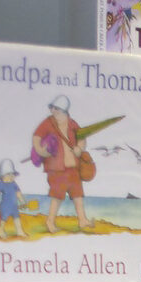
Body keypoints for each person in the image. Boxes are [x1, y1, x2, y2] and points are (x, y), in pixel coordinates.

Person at [31, 95, 93, 233]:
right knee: (57, 195)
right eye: (52, 107)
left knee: (77, 194)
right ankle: (50, 221)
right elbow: (36, 136)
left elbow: (81, 138)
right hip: (56, 168)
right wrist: (40, 150)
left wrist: (79, 148)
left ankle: (82, 220)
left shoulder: (72, 124)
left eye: (56, 108)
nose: (53, 110)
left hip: (73, 168)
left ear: (64, 110)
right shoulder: (48, 122)